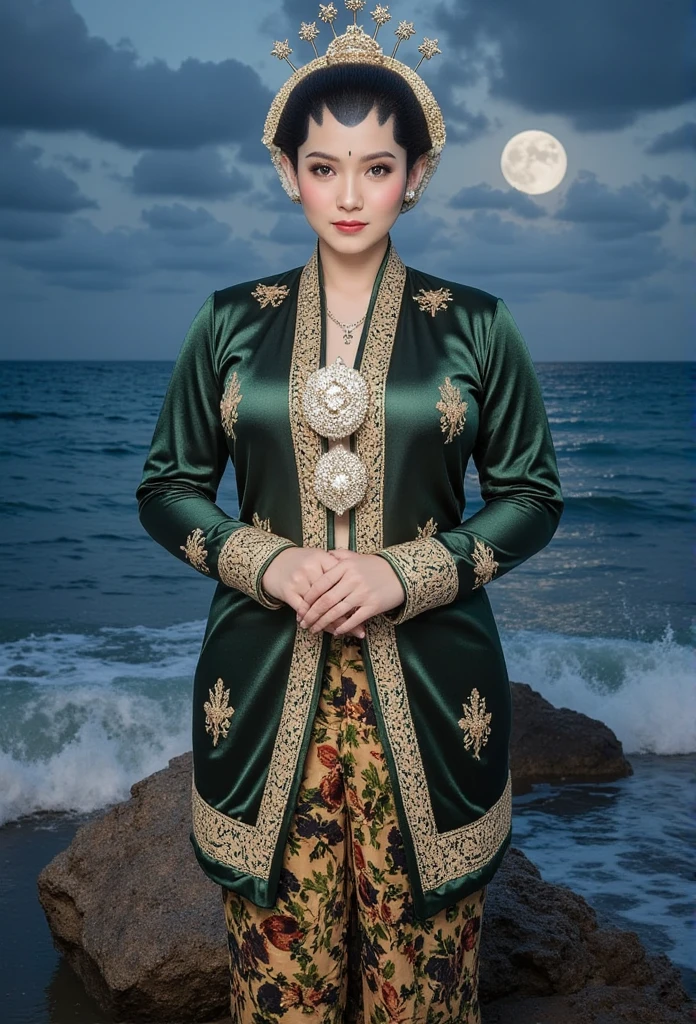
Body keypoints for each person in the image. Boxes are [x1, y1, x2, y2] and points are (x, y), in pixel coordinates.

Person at [135, 4, 564, 1022]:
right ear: (289, 172)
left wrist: (404, 572)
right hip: (262, 686)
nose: (350, 192)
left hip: (430, 692)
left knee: (422, 990)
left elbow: (532, 497)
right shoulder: (229, 322)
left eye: (377, 166)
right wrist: (267, 563)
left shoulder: (478, 325)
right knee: (281, 989)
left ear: (415, 175)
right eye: (324, 166)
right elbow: (167, 487)